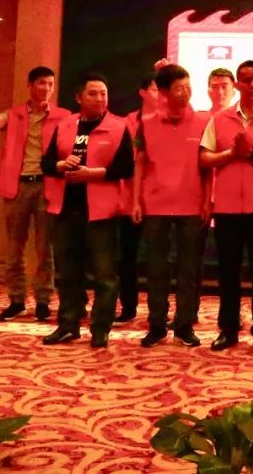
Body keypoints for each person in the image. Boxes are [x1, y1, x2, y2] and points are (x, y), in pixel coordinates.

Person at [40, 73, 134, 348]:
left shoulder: (119, 127)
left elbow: (126, 167)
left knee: (105, 275)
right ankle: (68, 325)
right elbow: (46, 162)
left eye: (103, 93)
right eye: (93, 93)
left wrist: (94, 174)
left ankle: (100, 329)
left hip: (101, 212)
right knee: (68, 273)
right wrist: (61, 165)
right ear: (79, 97)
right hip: (66, 209)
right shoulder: (65, 125)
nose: (100, 98)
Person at [201, 60, 253, 353]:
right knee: (228, 273)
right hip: (226, 209)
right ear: (237, 84)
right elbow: (204, 158)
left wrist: (251, 156)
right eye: (246, 80)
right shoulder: (220, 119)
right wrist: (230, 154)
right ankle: (228, 330)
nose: (251, 85)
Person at [0, 66, 70, 322]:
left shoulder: (63, 116)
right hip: (17, 186)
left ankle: (43, 300)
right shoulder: (14, 114)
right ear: (30, 85)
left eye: (50, 84)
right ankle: (16, 299)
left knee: (44, 247)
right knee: (14, 246)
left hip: (47, 186)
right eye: (41, 83)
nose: (46, 88)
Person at [132, 65, 211, 348]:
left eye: (188, 86)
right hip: (156, 204)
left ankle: (184, 325)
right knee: (156, 268)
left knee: (189, 269)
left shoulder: (203, 121)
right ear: (164, 92)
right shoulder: (146, 122)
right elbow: (140, 162)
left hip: (192, 204)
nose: (186, 92)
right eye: (179, 88)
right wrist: (135, 200)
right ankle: (156, 325)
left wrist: (207, 200)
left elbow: (207, 167)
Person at [114, 73, 159, 325]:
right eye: (154, 89)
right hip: (130, 198)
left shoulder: (168, 120)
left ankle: (158, 312)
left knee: (157, 258)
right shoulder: (127, 122)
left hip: (158, 197)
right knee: (127, 256)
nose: (159, 94)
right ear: (142, 92)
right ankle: (128, 307)